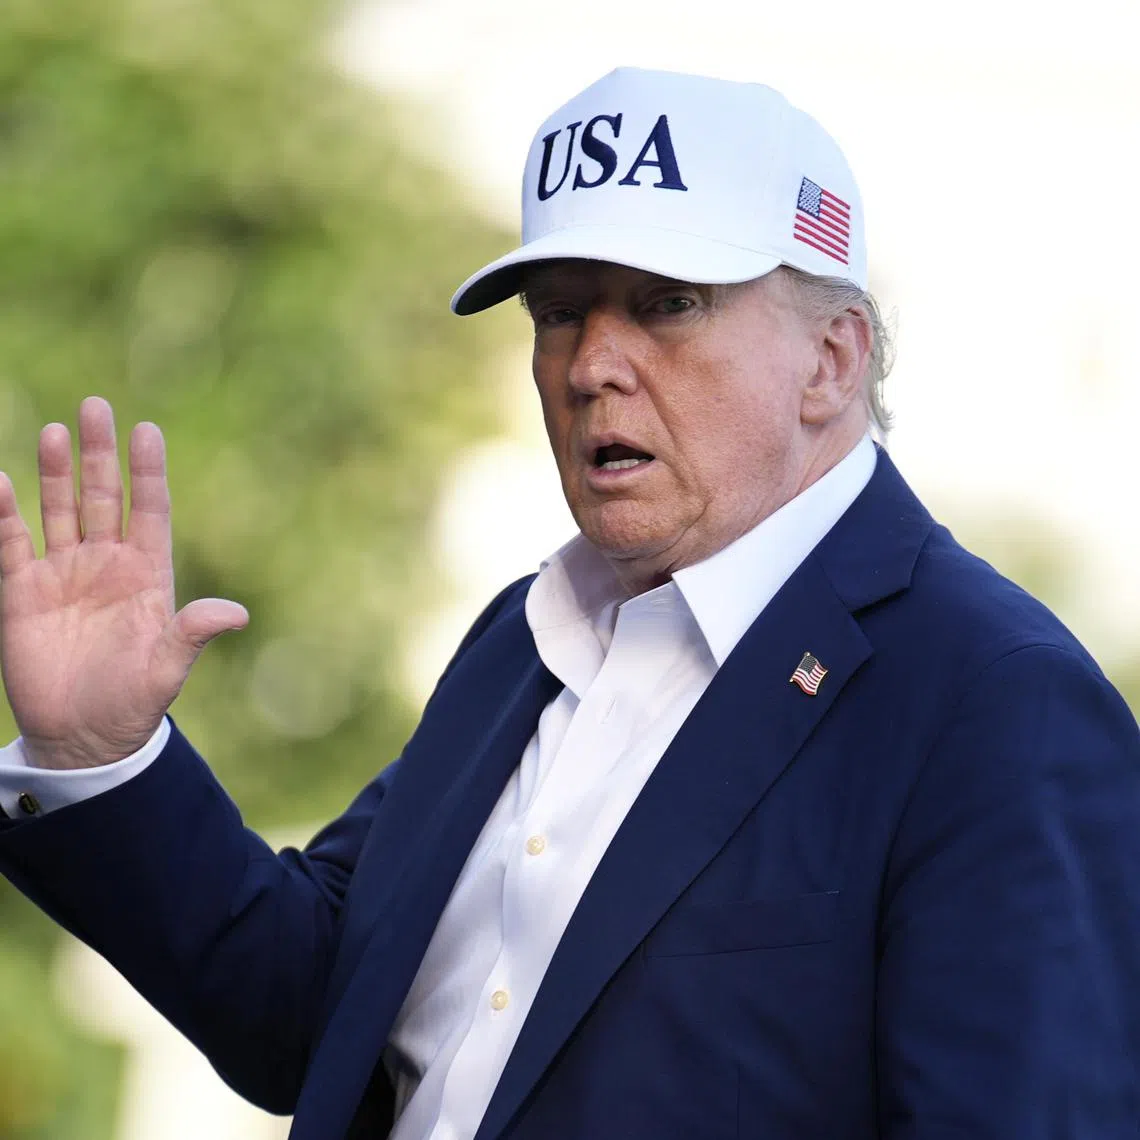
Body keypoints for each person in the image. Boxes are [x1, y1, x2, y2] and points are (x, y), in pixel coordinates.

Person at [0, 65, 1138, 1140]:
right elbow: (319, 1012)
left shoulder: (994, 701)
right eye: (558, 311)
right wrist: (104, 754)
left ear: (832, 361)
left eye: (668, 303)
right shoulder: (526, 637)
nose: (592, 362)